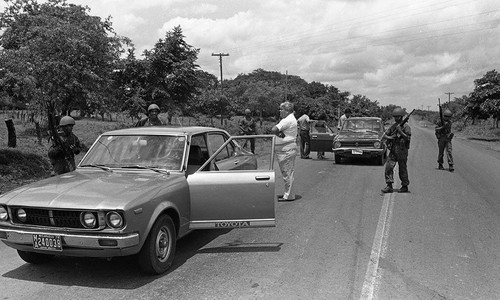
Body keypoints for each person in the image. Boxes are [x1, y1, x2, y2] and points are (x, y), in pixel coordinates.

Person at [271, 101, 298, 201]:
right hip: (286, 149)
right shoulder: (289, 119)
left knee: (287, 173)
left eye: (281, 109)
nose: (280, 111)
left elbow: (274, 129)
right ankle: (287, 194)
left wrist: (278, 133)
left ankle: (289, 195)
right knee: (286, 173)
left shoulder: (287, 120)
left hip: (286, 149)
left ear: (286, 110)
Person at [381, 107, 411, 193]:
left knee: (402, 168)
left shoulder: (406, 127)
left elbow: (408, 138)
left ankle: (404, 186)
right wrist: (391, 137)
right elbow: (384, 136)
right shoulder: (393, 126)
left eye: (398, 117)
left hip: (402, 150)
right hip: (393, 150)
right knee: (388, 167)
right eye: (395, 117)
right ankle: (389, 185)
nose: (396, 118)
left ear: (401, 117)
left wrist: (400, 131)